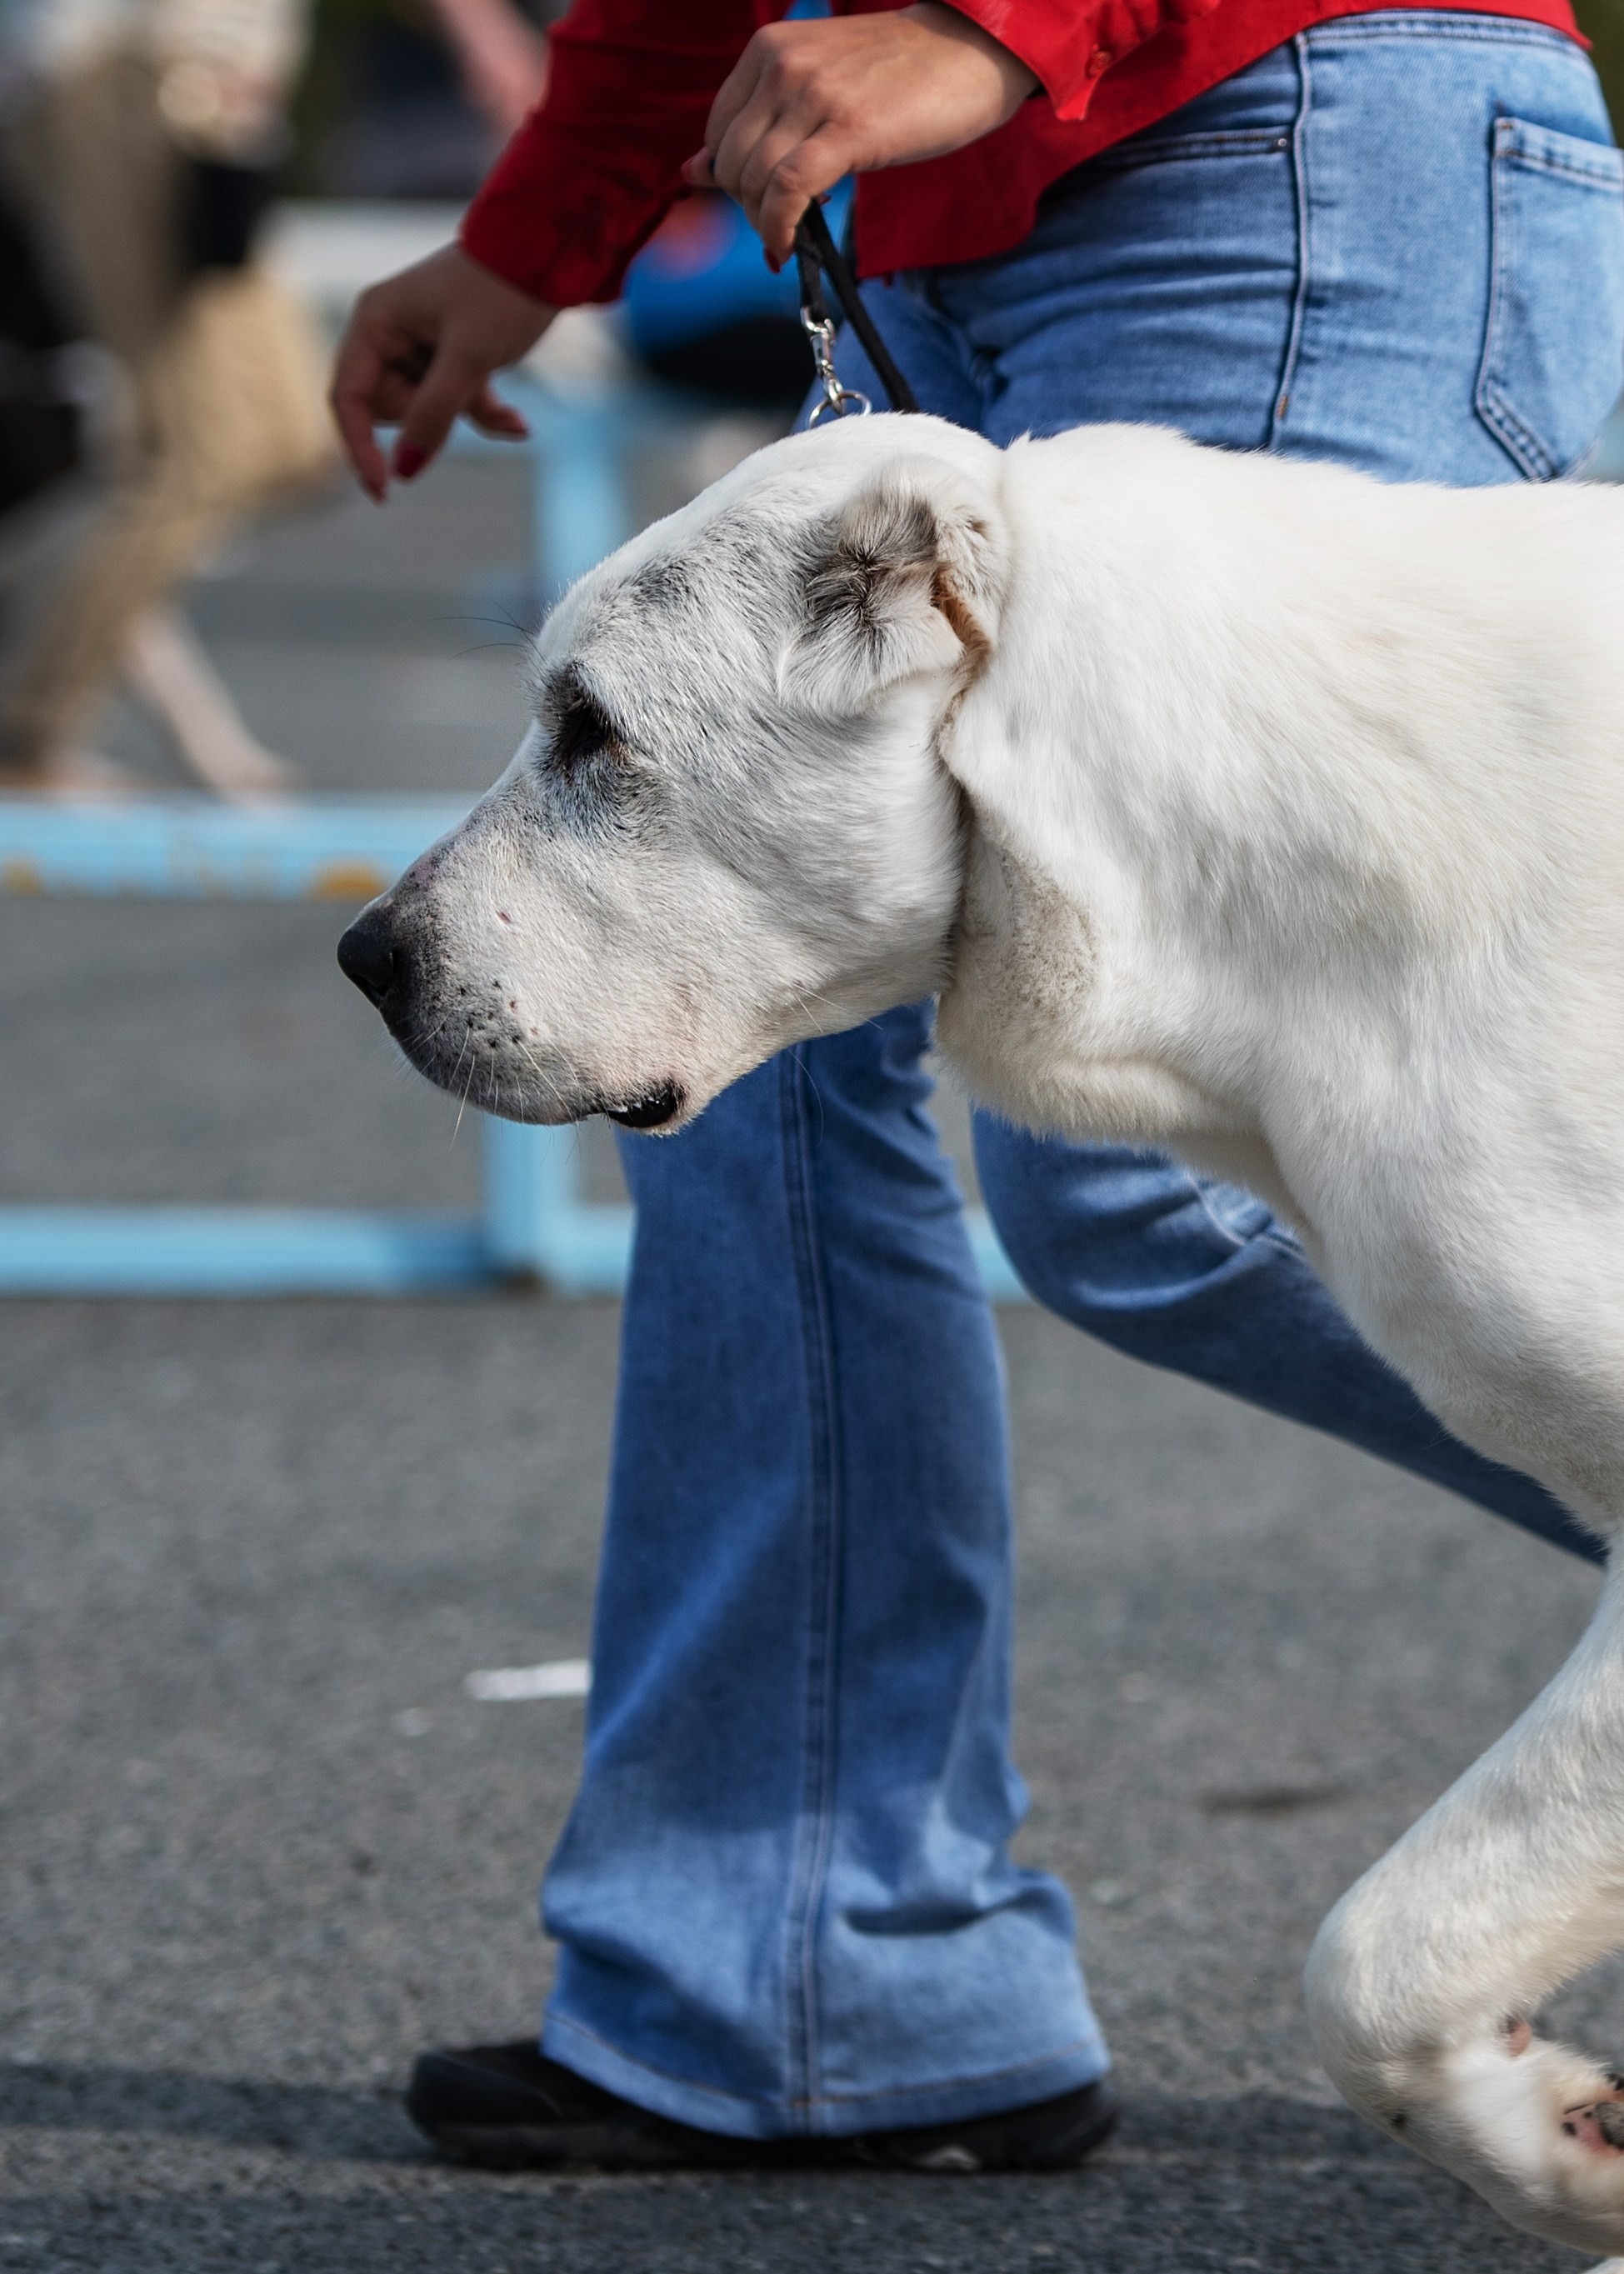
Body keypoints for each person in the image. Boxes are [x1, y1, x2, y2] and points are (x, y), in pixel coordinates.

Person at [332, 0, 1624, 2175]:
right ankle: (813, 1975)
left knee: (1164, 1159)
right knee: (731, 994)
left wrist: (1010, 26)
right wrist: (540, 229)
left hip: (1262, 129)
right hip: (920, 206)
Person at [0, 0, 333, 793]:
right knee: (192, 456)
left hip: (211, 86)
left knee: (296, 438)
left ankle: (63, 585)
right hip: (139, 79)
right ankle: (27, 734)